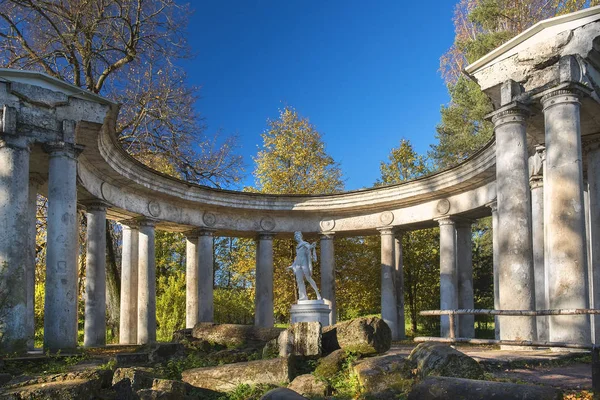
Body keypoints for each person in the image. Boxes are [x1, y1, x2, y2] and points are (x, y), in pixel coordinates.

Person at [288, 231, 322, 301]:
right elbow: (297, 257)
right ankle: (303, 297)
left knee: (308, 278)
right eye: (295, 237)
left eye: (297, 236)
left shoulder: (305, 244)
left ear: (301, 236)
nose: (296, 238)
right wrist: (292, 265)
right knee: (299, 280)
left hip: (304, 263)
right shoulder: (297, 247)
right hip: (298, 265)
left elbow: (309, 247)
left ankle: (317, 293)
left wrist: (312, 246)